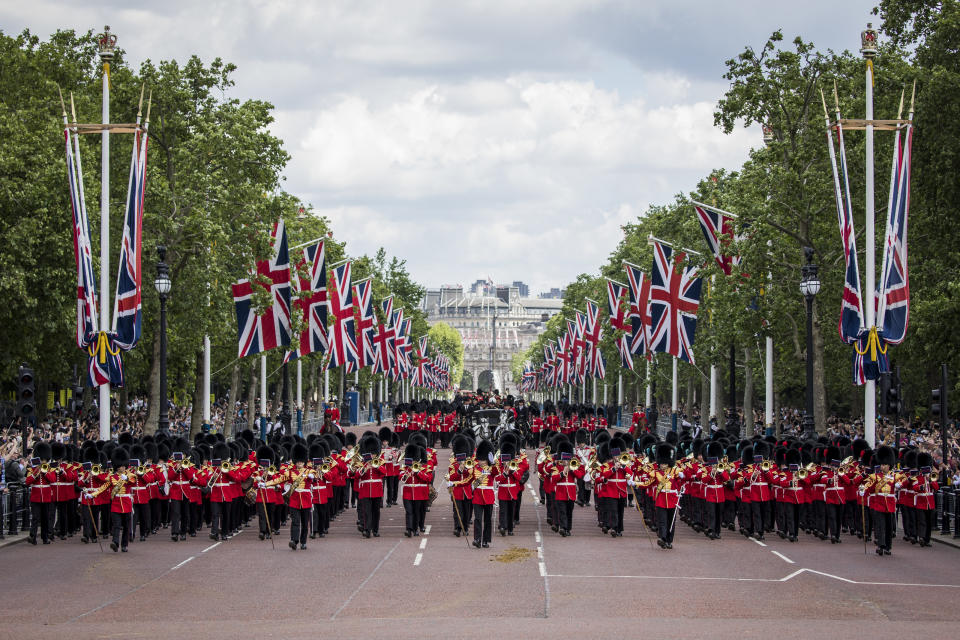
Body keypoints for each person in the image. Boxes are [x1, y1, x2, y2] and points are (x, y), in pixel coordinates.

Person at [470, 439, 495, 548]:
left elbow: (496, 472)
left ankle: (485, 540)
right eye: (479, 459)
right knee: (478, 519)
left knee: (488, 520)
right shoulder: (475, 469)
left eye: (483, 460)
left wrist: (492, 463)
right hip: (477, 497)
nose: (480, 461)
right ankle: (477, 539)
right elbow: (471, 483)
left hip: (489, 497)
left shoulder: (491, 469)